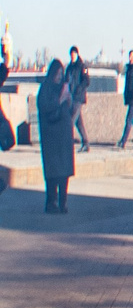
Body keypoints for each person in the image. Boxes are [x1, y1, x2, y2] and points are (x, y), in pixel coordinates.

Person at [36, 59, 77, 213]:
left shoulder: (62, 87)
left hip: (64, 136)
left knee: (64, 171)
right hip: (51, 136)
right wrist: (61, 99)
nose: (60, 76)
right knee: (53, 172)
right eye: (58, 73)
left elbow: (70, 109)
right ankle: (51, 202)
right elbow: (45, 107)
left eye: (62, 73)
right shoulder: (45, 88)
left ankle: (63, 202)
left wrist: (69, 99)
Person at [66, 47, 92, 151]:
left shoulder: (82, 66)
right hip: (71, 97)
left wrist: (78, 89)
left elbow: (86, 81)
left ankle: (65, 144)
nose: (72, 56)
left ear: (77, 54)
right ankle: (86, 143)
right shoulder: (69, 67)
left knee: (70, 121)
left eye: (74, 54)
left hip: (78, 97)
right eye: (71, 54)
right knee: (79, 123)